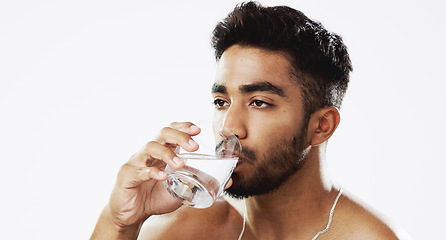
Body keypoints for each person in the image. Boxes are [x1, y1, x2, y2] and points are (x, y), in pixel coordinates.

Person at [91, 2, 411, 239]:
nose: (229, 126)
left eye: (259, 102)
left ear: (321, 126)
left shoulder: (367, 237)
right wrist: (122, 223)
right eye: (222, 101)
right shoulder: (187, 228)